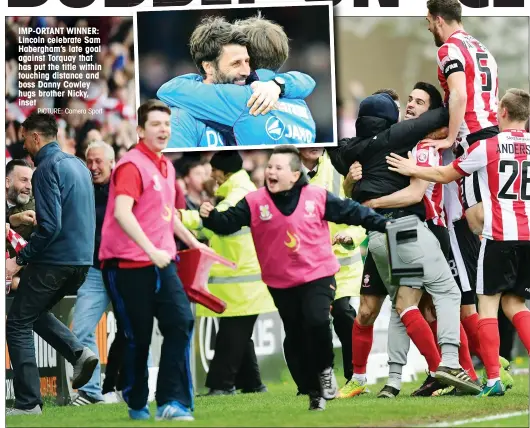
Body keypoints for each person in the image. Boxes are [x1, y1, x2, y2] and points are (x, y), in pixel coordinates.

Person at [199, 145, 390, 411]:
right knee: (297, 333)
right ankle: (313, 390)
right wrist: (209, 217)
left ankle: (325, 371)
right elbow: (227, 223)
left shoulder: (316, 196)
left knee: (316, 319)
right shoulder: (255, 202)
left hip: (319, 274)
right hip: (281, 282)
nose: (271, 172)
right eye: (269, 167)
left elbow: (352, 211)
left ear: (294, 174)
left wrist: (384, 224)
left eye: (278, 168)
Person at [328, 93, 481, 399]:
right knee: (418, 301)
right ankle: (445, 367)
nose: (410, 107)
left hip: (401, 234)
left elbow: (339, 153)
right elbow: (410, 193)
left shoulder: (370, 146)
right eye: (406, 102)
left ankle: (405, 378)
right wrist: (350, 184)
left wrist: (359, 192)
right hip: (403, 230)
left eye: (417, 102)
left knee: (408, 306)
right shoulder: (396, 140)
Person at [386, 87, 530, 397]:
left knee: (487, 307)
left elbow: (448, 173)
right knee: (516, 303)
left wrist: (413, 168)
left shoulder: (489, 146)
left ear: (502, 112)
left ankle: (492, 379)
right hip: (528, 237)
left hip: (498, 236)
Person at [98, 99, 208, 421]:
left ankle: (172, 402)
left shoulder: (166, 165)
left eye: (167, 125)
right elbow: (121, 212)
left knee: (180, 322)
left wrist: (193, 243)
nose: (164, 130)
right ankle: (135, 403)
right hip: (129, 265)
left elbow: (167, 215)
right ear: (141, 130)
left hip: (162, 262)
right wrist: (150, 250)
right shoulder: (132, 165)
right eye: (156, 125)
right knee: (138, 337)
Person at [423, 0, 501, 368]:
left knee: (476, 219)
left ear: (438, 19)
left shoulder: (448, 48)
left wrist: (450, 136)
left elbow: (459, 93)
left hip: (473, 138)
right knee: (492, 213)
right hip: (493, 133)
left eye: (427, 20)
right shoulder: (481, 46)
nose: (427, 26)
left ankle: (498, 273)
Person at [5, 112, 98, 416]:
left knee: (17, 320)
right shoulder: (78, 165)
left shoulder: (45, 168)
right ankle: (78, 352)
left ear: (34, 136)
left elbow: (51, 226)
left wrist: (19, 260)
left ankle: (28, 403)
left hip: (54, 261)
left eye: (25, 140)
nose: (25, 148)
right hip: (81, 262)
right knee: (31, 312)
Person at [179, 151, 276, 396]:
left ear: (225, 173)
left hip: (241, 280)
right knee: (238, 334)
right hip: (243, 280)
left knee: (231, 336)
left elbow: (214, 223)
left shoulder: (236, 195)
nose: (211, 175)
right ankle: (253, 384)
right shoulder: (241, 189)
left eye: (214, 171)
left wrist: (180, 217)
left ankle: (221, 385)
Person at [158, 16, 317, 147]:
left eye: (246, 61)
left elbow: (168, 90)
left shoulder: (244, 97)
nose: (244, 70)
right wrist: (281, 83)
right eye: (236, 62)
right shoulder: (302, 105)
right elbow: (308, 81)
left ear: (251, 58)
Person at [295, 147, 365, 390]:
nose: (315, 144)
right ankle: (307, 382)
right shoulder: (284, 171)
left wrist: (349, 235)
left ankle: (354, 376)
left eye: (320, 139)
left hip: (341, 266)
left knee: (345, 315)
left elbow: (360, 214)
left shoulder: (341, 169)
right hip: (305, 265)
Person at [69, 141, 123, 406]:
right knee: (80, 329)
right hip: (94, 270)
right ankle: (91, 393)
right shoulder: (82, 190)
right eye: (89, 161)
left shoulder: (125, 187)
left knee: (133, 329)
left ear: (112, 163)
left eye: (98, 161)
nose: (92, 167)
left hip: (124, 268)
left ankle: (137, 386)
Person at [6, 159, 36, 293]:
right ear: (7, 182)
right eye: (24, 180)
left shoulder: (35, 207)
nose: (29, 186)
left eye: (30, 181)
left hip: (25, 278)